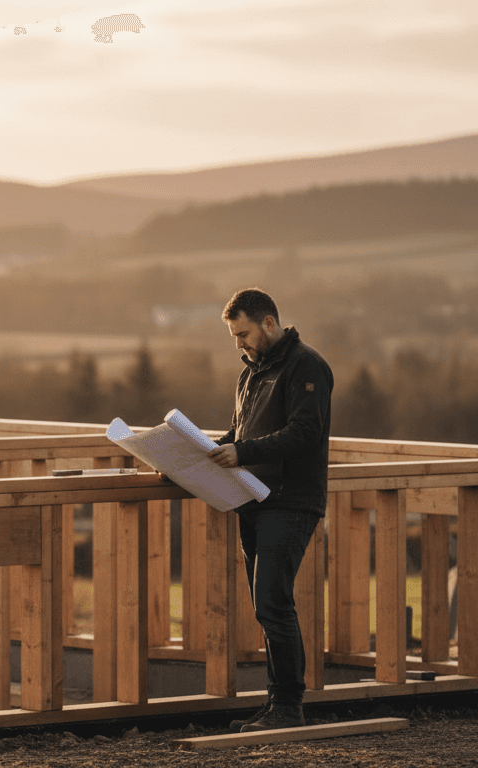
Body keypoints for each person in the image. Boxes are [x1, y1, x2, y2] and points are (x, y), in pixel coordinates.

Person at [207, 287, 333, 732]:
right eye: (233, 336)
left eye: (242, 334)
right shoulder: (250, 374)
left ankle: (288, 708)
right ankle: (276, 703)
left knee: (273, 603)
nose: (238, 344)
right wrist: (196, 453)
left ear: (268, 322)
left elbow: (305, 432)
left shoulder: (307, 366)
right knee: (267, 608)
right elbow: (239, 433)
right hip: (253, 500)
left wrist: (241, 452)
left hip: (291, 501)